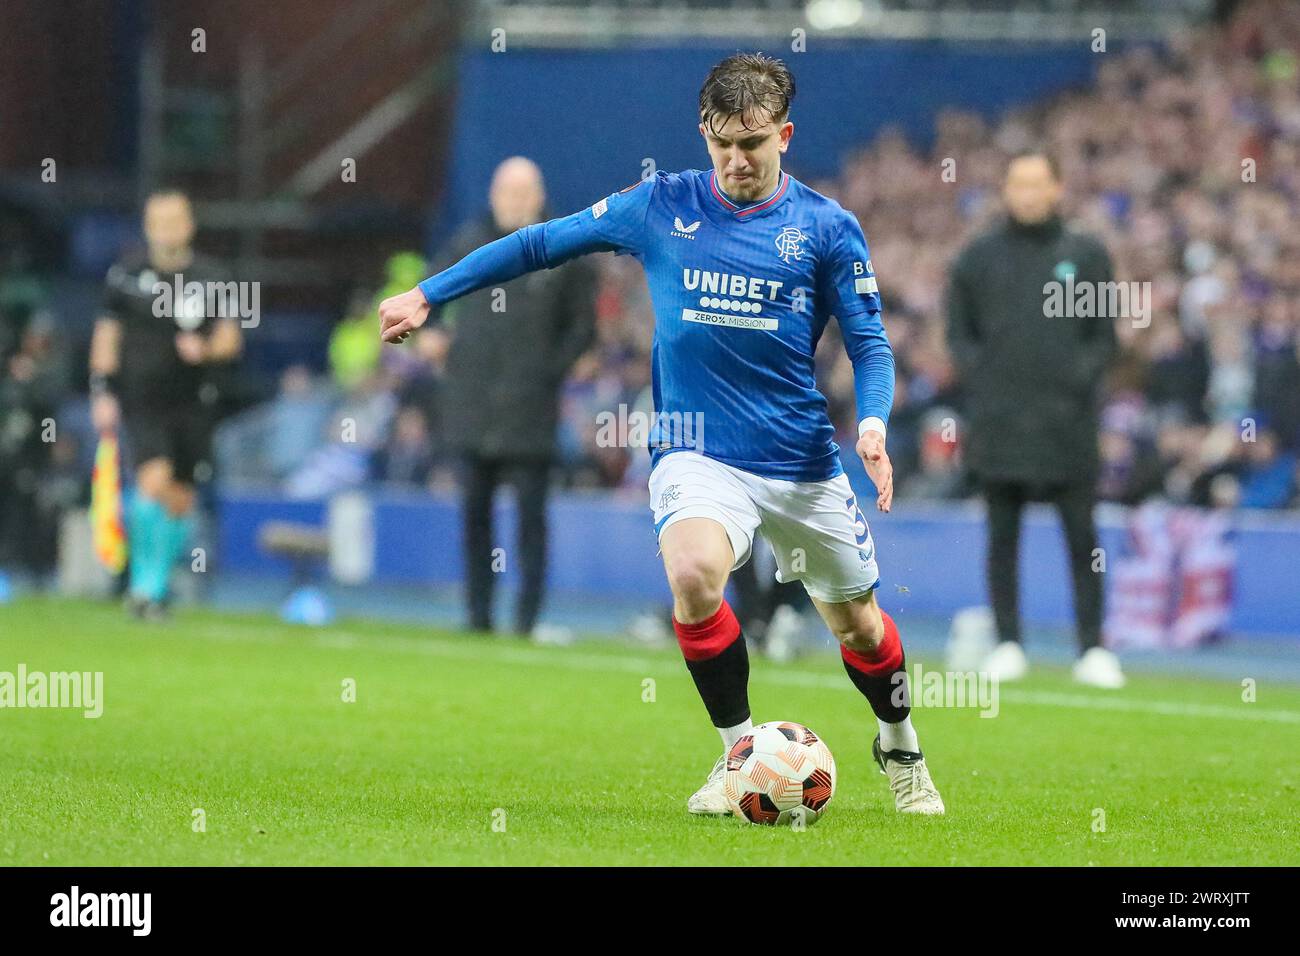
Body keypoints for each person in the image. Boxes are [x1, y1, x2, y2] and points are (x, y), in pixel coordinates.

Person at [381, 54, 944, 815]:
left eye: (754, 144)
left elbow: (871, 345)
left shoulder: (825, 227)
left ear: (785, 133)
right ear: (703, 135)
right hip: (696, 449)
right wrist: (429, 292)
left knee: (862, 628)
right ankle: (737, 754)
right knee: (691, 574)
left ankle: (901, 743)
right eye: (722, 146)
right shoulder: (660, 205)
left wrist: (871, 425)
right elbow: (540, 242)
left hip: (800, 459)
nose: (737, 161)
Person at [946, 152, 1123, 688]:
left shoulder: (1086, 254)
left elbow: (1104, 338)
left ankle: (1092, 648)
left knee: (1083, 537)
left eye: (1037, 183)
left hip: (1067, 423)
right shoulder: (977, 258)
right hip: (999, 423)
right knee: (1002, 535)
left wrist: (1075, 381)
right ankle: (1008, 643)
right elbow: (959, 335)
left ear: (1057, 188)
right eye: (1018, 183)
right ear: (1005, 190)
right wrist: (988, 381)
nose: (1027, 193)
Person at [431, 157, 598, 635]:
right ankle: (477, 616)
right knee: (474, 516)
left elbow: (582, 327)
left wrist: (547, 371)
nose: (515, 201)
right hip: (473, 404)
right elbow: (431, 290)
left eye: (524, 192)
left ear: (540, 195)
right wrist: (438, 339)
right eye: (507, 191)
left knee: (530, 519)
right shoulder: (467, 241)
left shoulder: (561, 250)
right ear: (492, 194)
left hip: (530, 408)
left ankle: (527, 618)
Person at [90, 190, 242, 618]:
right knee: (152, 481)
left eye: (175, 220)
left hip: (195, 400)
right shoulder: (126, 274)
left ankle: (154, 586)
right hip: (142, 399)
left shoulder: (214, 277)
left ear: (189, 224)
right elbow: (107, 336)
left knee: (179, 498)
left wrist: (206, 350)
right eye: (158, 221)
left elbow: (231, 339)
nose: (167, 229)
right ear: (147, 226)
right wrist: (102, 390)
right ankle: (146, 587)